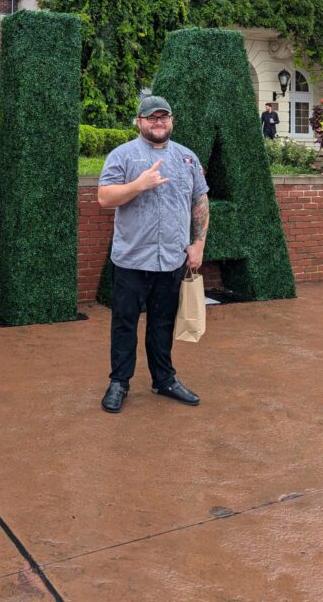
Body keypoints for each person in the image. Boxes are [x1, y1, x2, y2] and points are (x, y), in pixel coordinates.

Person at [97, 95, 209, 414]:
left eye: (164, 117)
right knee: (124, 324)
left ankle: (164, 379)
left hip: (172, 259)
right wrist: (139, 185)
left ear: (171, 121)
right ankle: (119, 382)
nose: (158, 122)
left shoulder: (187, 158)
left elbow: (199, 201)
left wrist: (198, 243)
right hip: (131, 260)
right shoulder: (122, 155)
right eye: (151, 117)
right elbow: (105, 197)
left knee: (161, 323)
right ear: (139, 121)